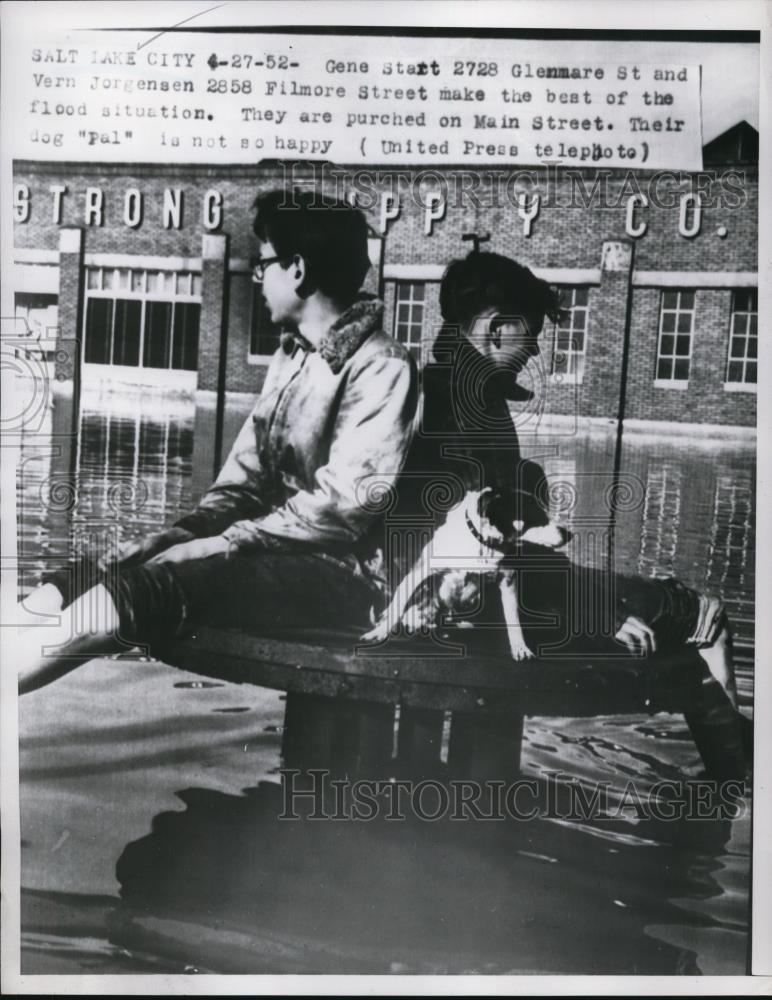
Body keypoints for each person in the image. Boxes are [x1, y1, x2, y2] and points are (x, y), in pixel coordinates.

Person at [17, 189, 418, 693]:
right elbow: (241, 485)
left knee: (149, 590)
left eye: (262, 263)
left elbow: (341, 510)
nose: (257, 277)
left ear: (297, 269)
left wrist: (222, 545)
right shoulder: (293, 356)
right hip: (268, 552)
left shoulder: (383, 365)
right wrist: (177, 537)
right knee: (100, 567)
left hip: (342, 576)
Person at [387, 248, 741, 713]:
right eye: (529, 333)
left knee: (684, 615)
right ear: (496, 330)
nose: (535, 348)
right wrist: (597, 615)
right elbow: (484, 553)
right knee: (704, 617)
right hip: (477, 603)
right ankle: (738, 785)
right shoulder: (466, 410)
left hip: (469, 593)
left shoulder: (449, 390)